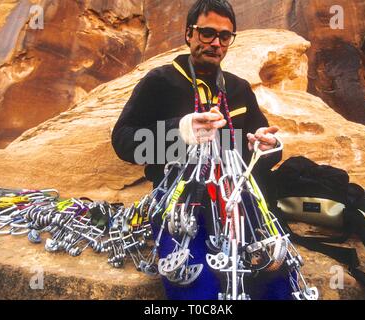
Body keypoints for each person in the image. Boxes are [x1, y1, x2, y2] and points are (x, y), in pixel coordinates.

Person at [112, 0, 289, 300]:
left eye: (225, 36)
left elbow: (266, 155)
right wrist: (180, 132)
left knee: (276, 285)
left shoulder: (238, 89)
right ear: (188, 34)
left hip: (238, 205)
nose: (216, 43)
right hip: (178, 205)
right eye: (207, 33)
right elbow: (124, 141)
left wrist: (264, 146)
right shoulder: (160, 82)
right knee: (196, 289)